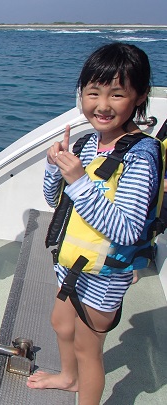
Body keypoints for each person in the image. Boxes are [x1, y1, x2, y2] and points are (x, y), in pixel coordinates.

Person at [27, 43, 162, 404]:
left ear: (139, 97)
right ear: (82, 94)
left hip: (105, 274)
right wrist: (55, 167)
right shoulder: (89, 143)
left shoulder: (140, 156)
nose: (102, 105)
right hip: (72, 261)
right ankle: (68, 378)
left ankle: (82, 389)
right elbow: (55, 201)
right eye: (93, 93)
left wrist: (80, 181)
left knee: (90, 350)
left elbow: (127, 229)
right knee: (60, 321)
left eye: (117, 94)